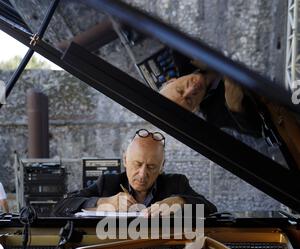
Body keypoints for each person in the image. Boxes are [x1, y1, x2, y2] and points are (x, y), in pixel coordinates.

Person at [53, 129, 217, 217]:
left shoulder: (176, 183)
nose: (142, 173)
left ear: (162, 167)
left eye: (152, 167)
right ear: (125, 160)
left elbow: (211, 209)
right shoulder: (108, 183)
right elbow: (60, 208)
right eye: (137, 164)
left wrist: (180, 201)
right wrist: (104, 202)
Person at [160, 55, 262, 137]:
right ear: (195, 109)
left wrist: (209, 56)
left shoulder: (182, 53)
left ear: (171, 81)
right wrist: (236, 107)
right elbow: (257, 131)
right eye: (189, 101)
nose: (192, 89)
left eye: (180, 90)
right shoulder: (215, 115)